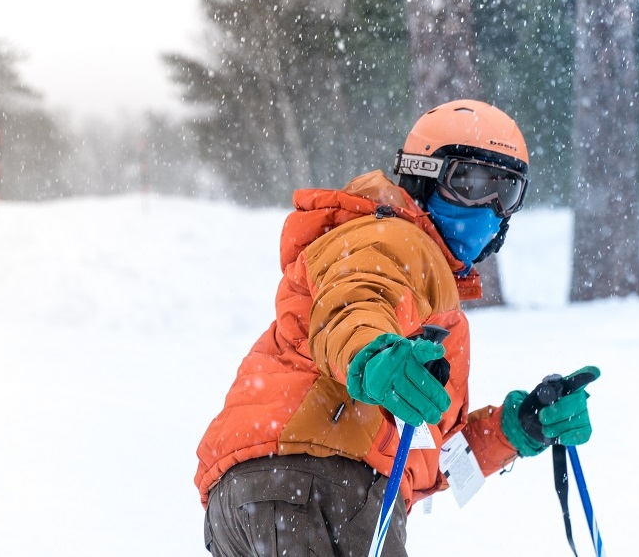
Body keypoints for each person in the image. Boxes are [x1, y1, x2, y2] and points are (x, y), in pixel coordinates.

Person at [196, 99, 600, 556]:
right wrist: (373, 356)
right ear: (422, 176)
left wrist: (515, 429)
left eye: (505, 192)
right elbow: (354, 303)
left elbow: (429, 451)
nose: (487, 207)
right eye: (468, 183)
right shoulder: (393, 239)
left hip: (259, 495)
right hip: (321, 486)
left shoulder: (433, 292)